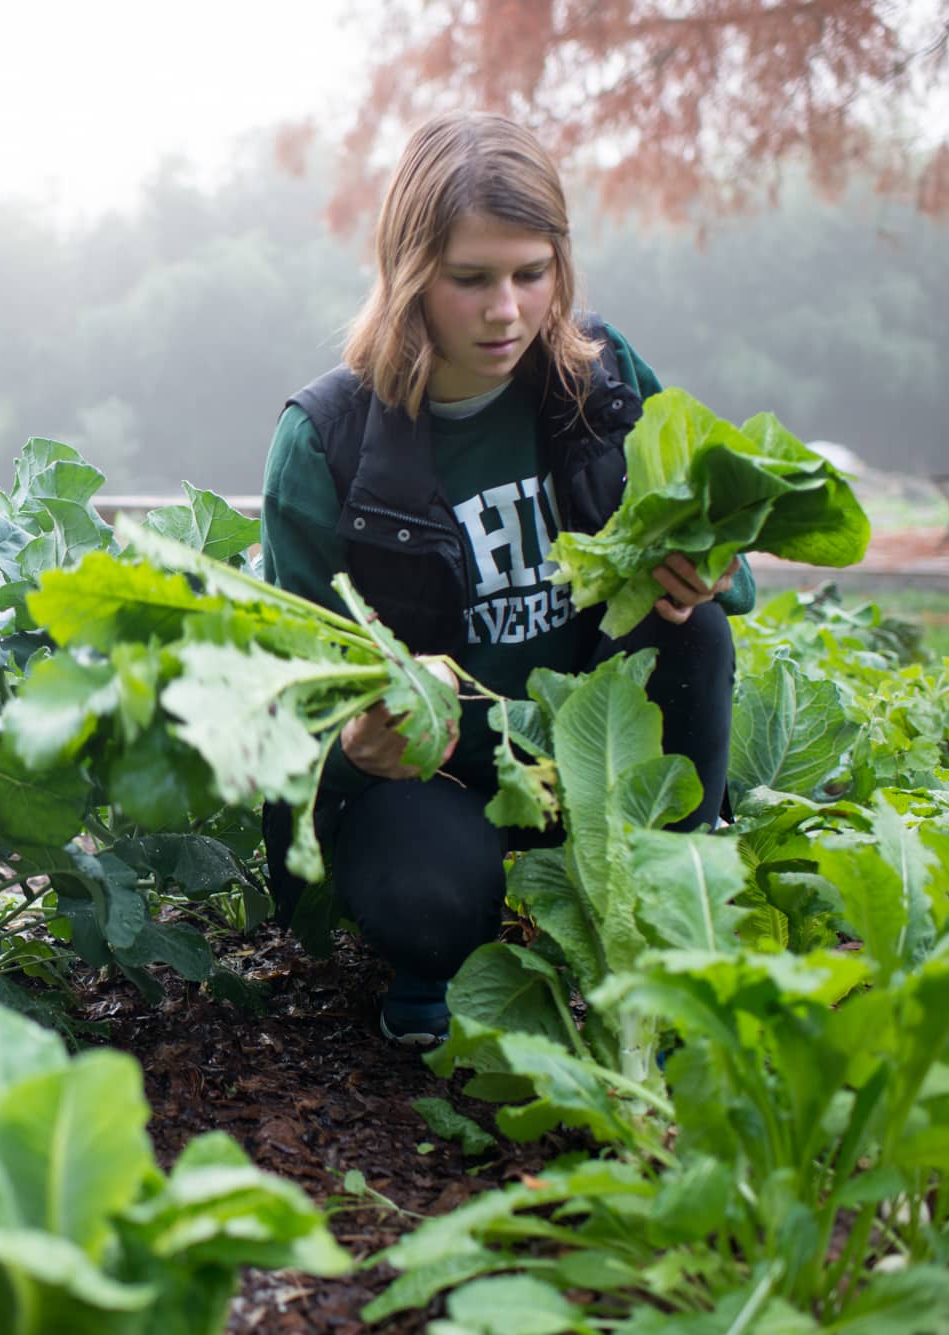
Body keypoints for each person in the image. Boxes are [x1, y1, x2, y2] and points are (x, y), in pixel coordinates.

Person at [258, 111, 754, 1046]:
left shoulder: (601, 379)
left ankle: (671, 923)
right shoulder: (327, 441)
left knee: (693, 634)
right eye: (471, 279)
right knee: (430, 901)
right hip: (435, 777)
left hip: (588, 749)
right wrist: (353, 739)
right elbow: (291, 707)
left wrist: (708, 567)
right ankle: (433, 963)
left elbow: (732, 577)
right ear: (410, 274)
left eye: (533, 274)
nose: (507, 311)